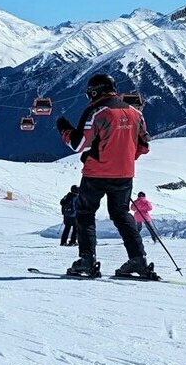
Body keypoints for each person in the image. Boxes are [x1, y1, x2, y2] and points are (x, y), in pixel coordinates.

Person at [56, 75, 157, 279]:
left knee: (85, 213)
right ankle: (138, 259)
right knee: (121, 215)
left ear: (95, 91)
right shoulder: (136, 113)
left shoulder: (97, 111)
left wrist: (64, 129)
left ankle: (87, 260)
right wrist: (124, 158)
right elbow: (144, 145)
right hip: (124, 174)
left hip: (96, 173)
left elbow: (78, 144)